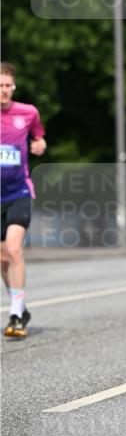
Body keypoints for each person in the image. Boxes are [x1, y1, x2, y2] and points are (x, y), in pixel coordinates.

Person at [1, 63, 47, 338]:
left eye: (7, 85)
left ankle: (16, 313)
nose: (3, 91)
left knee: (14, 249)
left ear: (13, 87)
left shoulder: (28, 112)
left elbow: (39, 138)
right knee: (3, 258)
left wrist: (39, 146)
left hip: (18, 191)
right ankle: (21, 306)